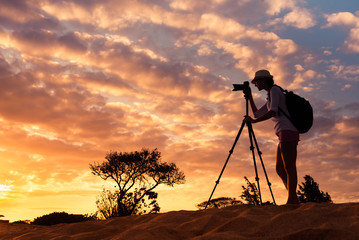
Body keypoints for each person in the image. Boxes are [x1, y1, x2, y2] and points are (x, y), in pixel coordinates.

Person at [243, 69, 300, 204]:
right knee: (280, 169)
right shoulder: (271, 95)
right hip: (282, 132)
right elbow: (257, 114)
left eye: (256, 82)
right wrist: (250, 97)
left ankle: (292, 200)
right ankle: (294, 198)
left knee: (289, 167)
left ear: (263, 80)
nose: (255, 85)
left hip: (287, 130)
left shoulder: (275, 90)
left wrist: (254, 122)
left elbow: (273, 111)